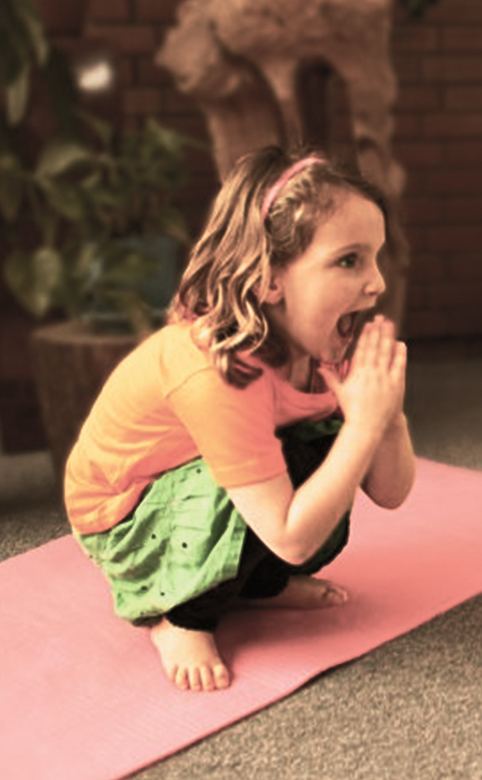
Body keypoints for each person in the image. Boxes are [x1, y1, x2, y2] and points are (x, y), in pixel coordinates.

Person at [65, 147, 416, 693]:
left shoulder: (324, 340)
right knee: (300, 469)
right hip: (124, 516)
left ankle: (260, 584)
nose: (377, 284)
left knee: (324, 443)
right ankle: (179, 615)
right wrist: (363, 428)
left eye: (375, 258)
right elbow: (293, 538)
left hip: (221, 487)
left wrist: (386, 417)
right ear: (270, 279)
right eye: (349, 260)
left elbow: (390, 492)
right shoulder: (217, 370)